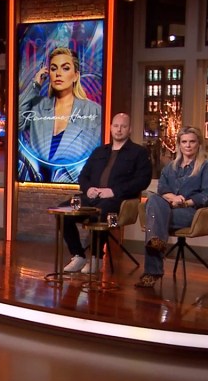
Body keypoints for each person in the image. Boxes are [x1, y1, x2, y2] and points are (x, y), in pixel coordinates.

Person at [61, 113, 152, 273]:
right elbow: (83, 176)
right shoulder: (99, 151)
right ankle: (78, 256)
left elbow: (142, 181)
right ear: (110, 128)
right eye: (116, 126)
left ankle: (96, 258)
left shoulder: (139, 153)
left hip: (119, 203)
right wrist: (88, 189)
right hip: (92, 197)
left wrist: (113, 191)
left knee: (100, 213)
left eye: (123, 126)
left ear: (130, 129)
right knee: (63, 212)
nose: (119, 129)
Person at [137, 126, 208, 287]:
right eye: (184, 142)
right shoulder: (170, 167)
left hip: (189, 212)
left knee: (155, 220)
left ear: (199, 144)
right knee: (153, 199)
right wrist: (173, 198)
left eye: (192, 142)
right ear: (179, 145)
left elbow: (206, 196)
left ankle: (152, 271)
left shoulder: (206, 167)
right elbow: (162, 189)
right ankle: (157, 242)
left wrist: (184, 202)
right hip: (168, 207)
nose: (188, 145)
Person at [19, 46, 103, 183]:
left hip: (75, 184)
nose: (58, 73)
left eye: (65, 68)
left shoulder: (93, 111)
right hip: (37, 184)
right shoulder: (38, 106)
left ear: (76, 75)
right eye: (53, 69)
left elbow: (97, 154)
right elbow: (16, 122)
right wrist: (35, 85)